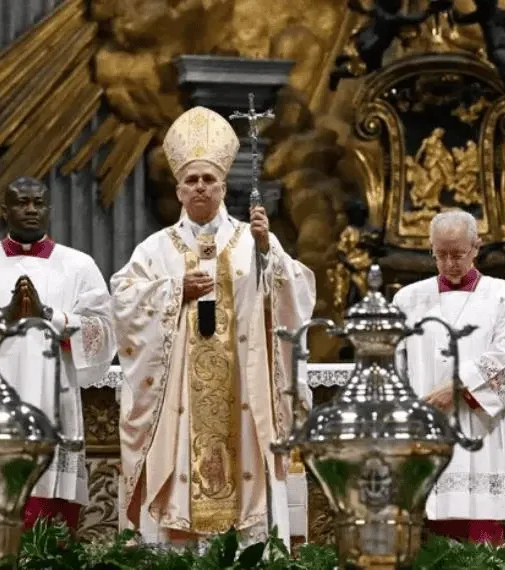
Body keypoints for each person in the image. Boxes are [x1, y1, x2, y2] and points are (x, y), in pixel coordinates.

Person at [111, 106, 316, 547]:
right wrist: (172, 291)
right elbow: (123, 300)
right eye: (192, 180)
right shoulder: (156, 248)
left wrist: (268, 254)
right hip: (181, 396)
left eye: (209, 179)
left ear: (224, 185)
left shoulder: (254, 238)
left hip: (242, 391)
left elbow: (295, 298)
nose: (201, 186)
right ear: (179, 189)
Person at [0, 176, 118, 531]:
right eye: (21, 202)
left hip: (54, 401)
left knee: (51, 524)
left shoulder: (78, 265)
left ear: (49, 209)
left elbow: (105, 329)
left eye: (38, 203)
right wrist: (3, 316)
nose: (30, 209)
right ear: (4, 211)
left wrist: (50, 316)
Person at [393, 209, 505, 544]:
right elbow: (394, 361)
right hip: (427, 424)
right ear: (431, 249)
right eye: (441, 254)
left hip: (482, 424)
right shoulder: (407, 299)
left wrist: (458, 387)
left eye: (458, 254)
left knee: (482, 531)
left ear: (476, 247)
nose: (450, 263)